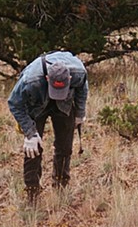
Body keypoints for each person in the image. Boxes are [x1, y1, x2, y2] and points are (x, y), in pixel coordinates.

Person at [7, 51, 88, 204]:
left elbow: (82, 89)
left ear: (70, 79)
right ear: (47, 78)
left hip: (65, 105)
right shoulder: (31, 79)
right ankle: (32, 193)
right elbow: (14, 103)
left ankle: (61, 187)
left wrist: (79, 113)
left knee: (65, 147)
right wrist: (30, 133)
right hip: (37, 104)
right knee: (33, 149)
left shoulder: (78, 73)